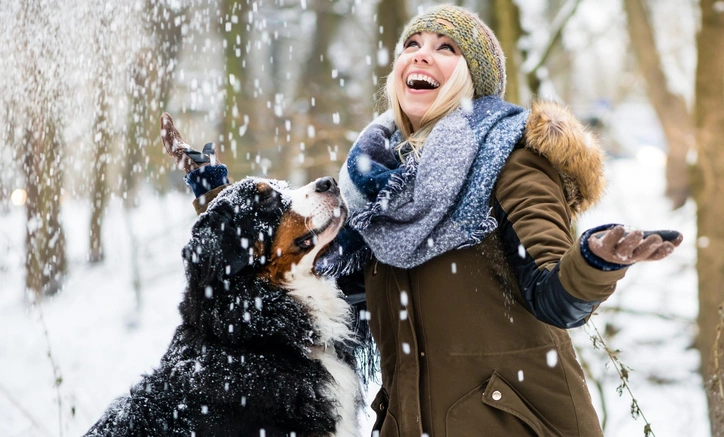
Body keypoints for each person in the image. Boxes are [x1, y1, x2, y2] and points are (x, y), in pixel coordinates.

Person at [163, 4, 682, 436]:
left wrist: (594, 260)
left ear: (471, 80)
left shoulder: (510, 159)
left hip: (513, 424)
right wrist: (221, 204)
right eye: (413, 45)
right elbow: (313, 287)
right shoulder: (372, 182)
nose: (422, 54)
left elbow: (555, 296)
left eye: (446, 48)